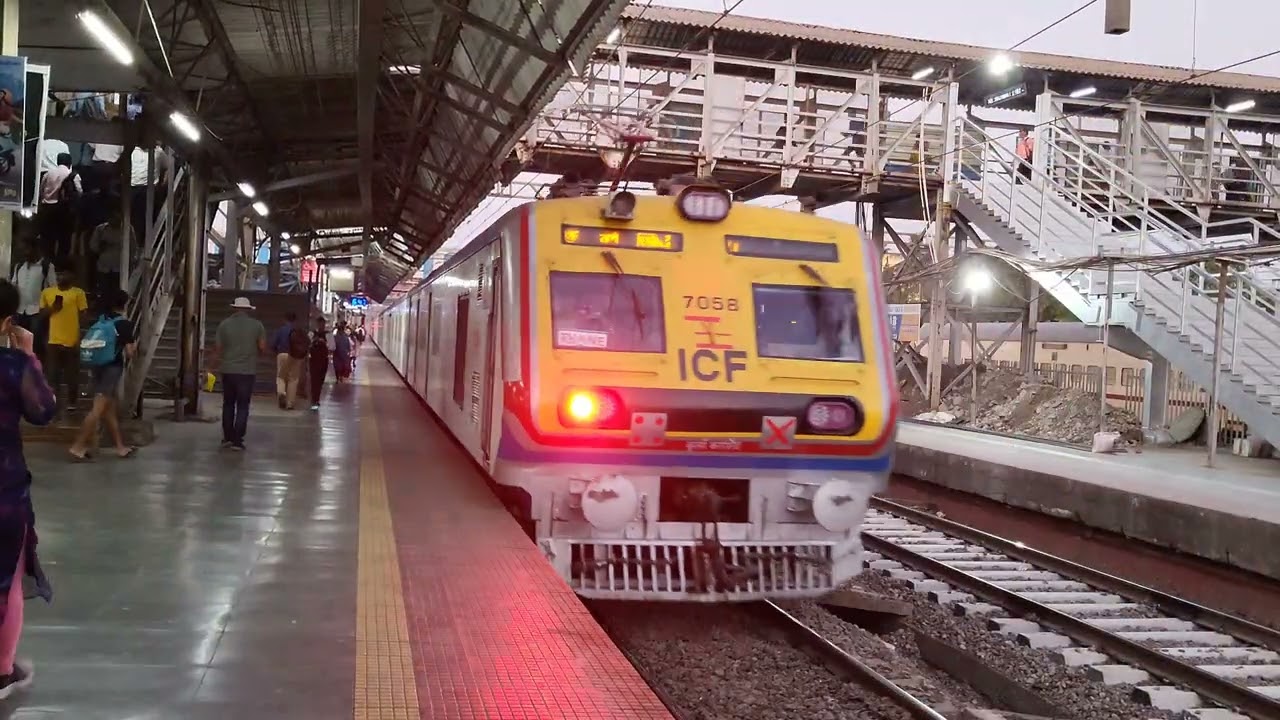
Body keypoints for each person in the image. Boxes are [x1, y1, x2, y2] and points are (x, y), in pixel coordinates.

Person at [0, 278, 57, 698]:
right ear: (7, 318)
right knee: (7, 578)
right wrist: (30, 356)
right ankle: (2, 668)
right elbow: (43, 411)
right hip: (4, 488)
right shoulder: (12, 364)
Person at [68, 289, 137, 462]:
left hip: (97, 366)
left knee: (109, 410)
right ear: (124, 304)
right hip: (112, 369)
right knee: (97, 409)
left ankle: (120, 447)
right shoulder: (124, 324)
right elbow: (129, 353)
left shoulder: (102, 320)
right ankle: (78, 446)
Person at [209, 297, 265, 451]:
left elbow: (217, 348)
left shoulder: (224, 324)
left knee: (228, 404)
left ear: (234, 308)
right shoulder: (257, 325)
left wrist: (210, 367)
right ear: (248, 310)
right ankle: (237, 440)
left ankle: (227, 437)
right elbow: (262, 347)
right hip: (247, 372)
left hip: (228, 370)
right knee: (243, 405)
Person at [39, 270, 88, 419]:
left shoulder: (78, 293)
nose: (61, 277)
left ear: (71, 276)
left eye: (64, 274)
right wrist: (53, 308)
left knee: (72, 375)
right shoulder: (47, 292)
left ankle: (72, 402)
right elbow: (41, 314)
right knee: (52, 375)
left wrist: (79, 336)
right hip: (53, 340)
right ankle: (54, 404)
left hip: (71, 341)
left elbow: (83, 315)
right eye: (58, 274)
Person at [10, 245, 54, 360]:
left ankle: (37, 368)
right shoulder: (19, 266)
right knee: (18, 343)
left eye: (28, 249)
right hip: (20, 310)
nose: (25, 252)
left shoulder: (46, 266)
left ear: (36, 249)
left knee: (36, 344)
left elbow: (53, 289)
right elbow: (14, 286)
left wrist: (47, 310)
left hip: (37, 311)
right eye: (24, 249)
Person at [270, 312, 308, 410]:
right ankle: (290, 403)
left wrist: (276, 352)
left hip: (282, 354)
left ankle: (282, 393)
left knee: (281, 376)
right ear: (295, 320)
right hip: (295, 356)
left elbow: (273, 344)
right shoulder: (299, 331)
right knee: (293, 379)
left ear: (285, 319)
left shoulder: (281, 330)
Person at [307, 317, 332, 411]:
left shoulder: (326, 335)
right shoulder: (313, 334)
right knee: (315, 380)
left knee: (318, 380)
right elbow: (332, 347)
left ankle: (315, 399)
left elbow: (332, 347)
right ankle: (315, 400)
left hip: (319, 360)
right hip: (317, 360)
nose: (321, 326)